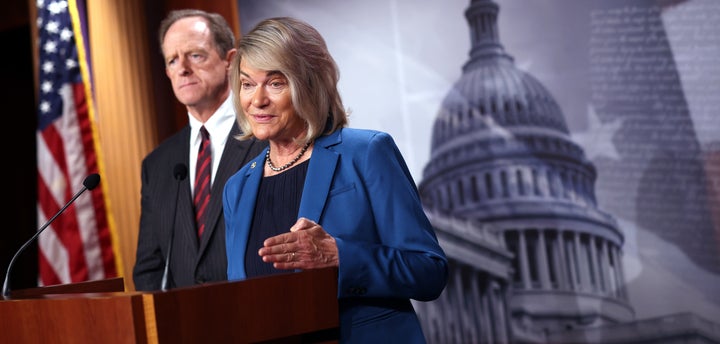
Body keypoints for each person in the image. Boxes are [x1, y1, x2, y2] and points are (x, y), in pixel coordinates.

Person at [223, 17, 448, 343]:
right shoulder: (237, 188)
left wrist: (340, 256)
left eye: (275, 83)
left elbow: (430, 271)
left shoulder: (367, 153)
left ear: (308, 85)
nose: (256, 100)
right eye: (246, 84)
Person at [133, 9, 266, 291]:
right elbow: (149, 268)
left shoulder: (266, 138)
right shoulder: (157, 165)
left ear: (230, 61)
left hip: (261, 316)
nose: (182, 68)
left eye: (195, 55)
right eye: (172, 60)